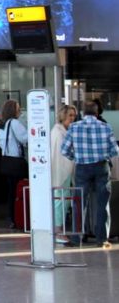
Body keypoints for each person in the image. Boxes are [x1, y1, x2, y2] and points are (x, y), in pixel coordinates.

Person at [61, 100, 119, 249]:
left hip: (82, 168)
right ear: (97, 113)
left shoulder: (74, 127)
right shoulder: (105, 127)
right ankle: (102, 239)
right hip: (101, 167)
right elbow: (115, 150)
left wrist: (78, 158)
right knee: (102, 203)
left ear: (82, 113)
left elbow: (64, 150)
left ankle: (76, 239)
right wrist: (104, 155)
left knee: (79, 203)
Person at [0, 99, 28, 229]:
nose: (20, 110)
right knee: (18, 190)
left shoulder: (2, 125)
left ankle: (11, 217)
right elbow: (25, 138)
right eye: (18, 108)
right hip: (16, 162)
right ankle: (19, 216)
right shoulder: (15, 123)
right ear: (13, 110)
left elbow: (0, 144)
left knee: (11, 191)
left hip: (6, 161)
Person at [51, 104, 77, 242]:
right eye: (70, 116)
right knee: (60, 201)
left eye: (74, 116)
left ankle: (59, 229)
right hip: (61, 172)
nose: (72, 119)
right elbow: (60, 155)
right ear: (63, 116)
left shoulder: (63, 131)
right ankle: (57, 231)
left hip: (65, 171)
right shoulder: (58, 132)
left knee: (63, 200)